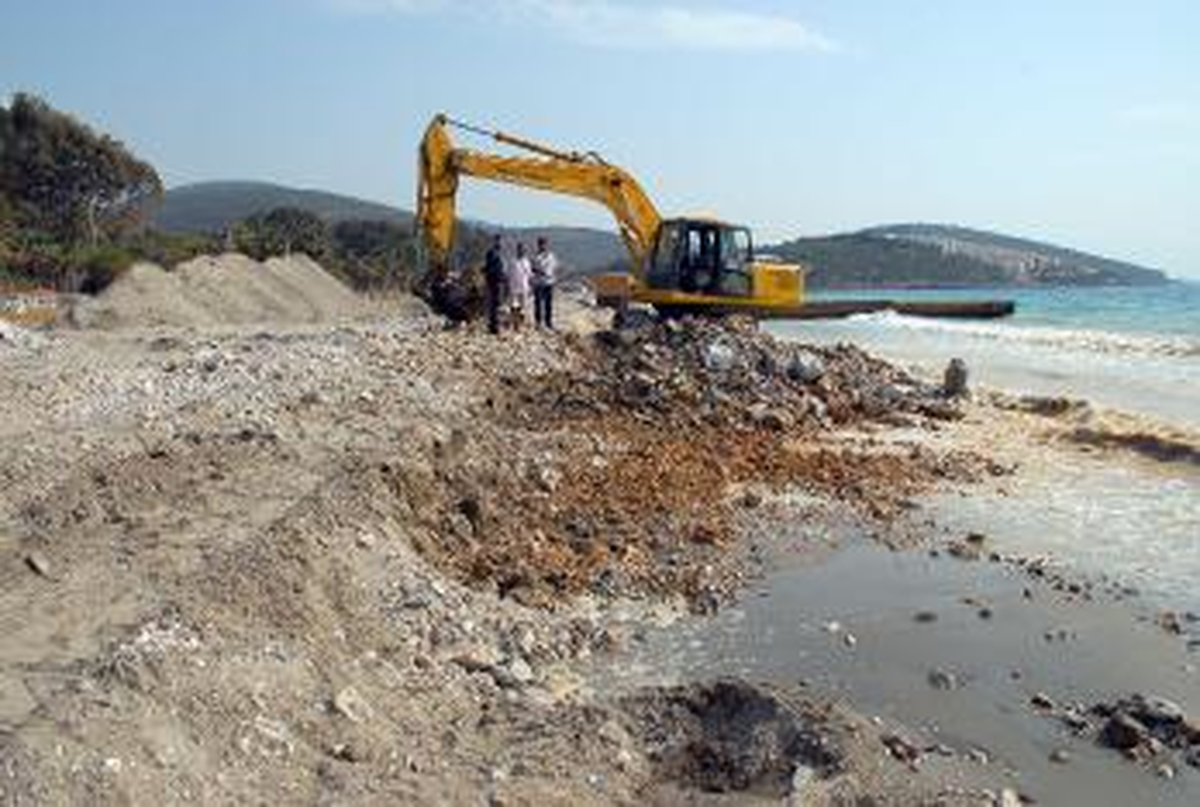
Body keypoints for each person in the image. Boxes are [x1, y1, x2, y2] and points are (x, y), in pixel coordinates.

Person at [531, 236, 559, 329]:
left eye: (544, 244)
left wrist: (553, 277)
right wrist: (539, 271)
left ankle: (548, 322)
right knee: (538, 303)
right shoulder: (535, 257)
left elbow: (555, 267)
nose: (543, 246)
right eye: (541, 244)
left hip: (549, 282)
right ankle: (538, 322)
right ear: (538, 245)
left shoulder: (551, 256)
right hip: (538, 282)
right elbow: (532, 269)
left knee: (548, 304)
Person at [507, 241, 533, 331]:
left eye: (523, 249)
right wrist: (508, 286)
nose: (521, 251)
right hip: (514, 287)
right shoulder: (512, 261)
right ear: (517, 250)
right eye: (520, 249)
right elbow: (508, 274)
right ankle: (515, 323)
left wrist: (531, 286)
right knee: (514, 306)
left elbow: (529, 275)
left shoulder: (527, 262)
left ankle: (521, 324)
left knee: (523, 307)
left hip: (524, 287)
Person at [483, 234, 506, 335]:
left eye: (501, 241)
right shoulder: (492, 253)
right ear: (495, 241)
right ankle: (494, 326)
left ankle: (494, 325)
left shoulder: (498, 253)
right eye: (498, 241)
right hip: (494, 281)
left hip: (497, 281)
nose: (500, 243)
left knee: (496, 304)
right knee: (494, 304)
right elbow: (489, 268)